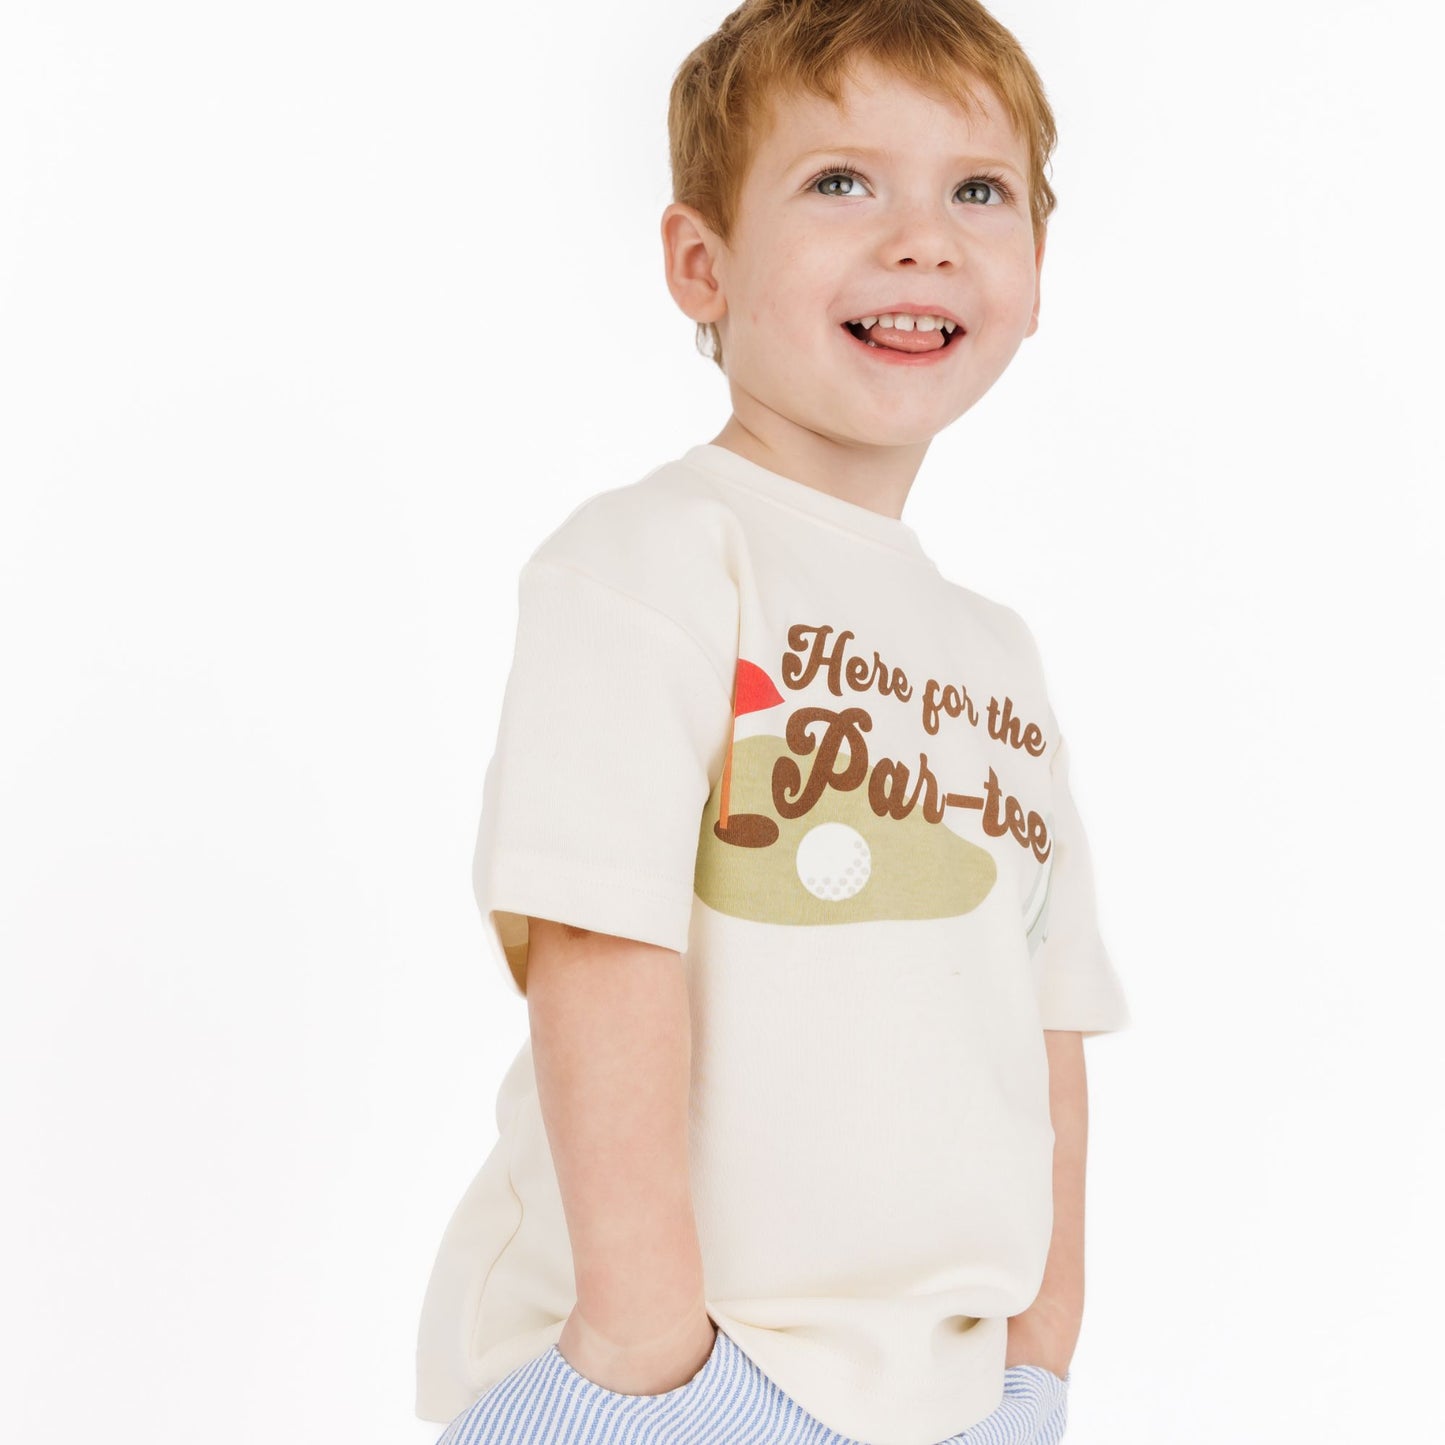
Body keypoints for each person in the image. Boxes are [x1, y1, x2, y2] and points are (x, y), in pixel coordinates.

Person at [414, 2, 1131, 1442]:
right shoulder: (656, 560)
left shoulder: (995, 658)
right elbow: (600, 937)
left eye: (974, 192)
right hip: (683, 1369)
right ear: (703, 263)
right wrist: (642, 1346)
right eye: (840, 181)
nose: (920, 236)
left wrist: (1035, 1364)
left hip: (940, 1396)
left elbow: (1044, 1024)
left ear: (1036, 276)